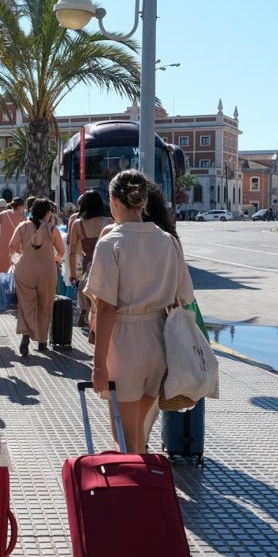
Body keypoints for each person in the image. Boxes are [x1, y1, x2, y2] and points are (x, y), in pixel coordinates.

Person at [84, 169, 194, 453]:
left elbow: (107, 307)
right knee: (137, 435)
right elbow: (182, 296)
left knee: (125, 439)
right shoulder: (167, 241)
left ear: (114, 201)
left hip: (124, 341)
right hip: (158, 339)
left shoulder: (112, 242)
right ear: (143, 203)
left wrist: (98, 364)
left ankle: (135, 494)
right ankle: (142, 489)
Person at [11, 198, 65, 356]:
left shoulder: (23, 226)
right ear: (47, 213)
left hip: (25, 269)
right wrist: (52, 260)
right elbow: (61, 252)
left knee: (26, 304)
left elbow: (12, 246)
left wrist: (18, 259)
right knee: (45, 306)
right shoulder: (52, 229)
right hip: (47, 271)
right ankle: (42, 342)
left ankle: (26, 334)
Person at [68, 190, 112, 329]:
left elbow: (72, 251)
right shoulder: (108, 222)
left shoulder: (77, 224)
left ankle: (86, 313)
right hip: (107, 267)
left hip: (88, 267)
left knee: (88, 295)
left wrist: (73, 274)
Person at [0, 197, 26, 281]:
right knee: (15, 271)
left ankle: (0, 291)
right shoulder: (23, 217)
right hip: (16, 247)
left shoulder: (3, 214)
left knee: (0, 271)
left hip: (1, 245)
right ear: (20, 206)